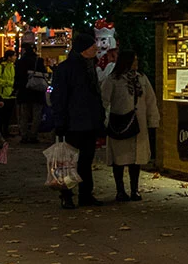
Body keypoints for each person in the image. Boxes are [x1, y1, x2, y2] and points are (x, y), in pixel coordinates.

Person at [50, 29, 106, 209]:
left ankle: (82, 193)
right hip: (74, 122)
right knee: (71, 160)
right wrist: (60, 121)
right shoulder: (70, 69)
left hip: (84, 121)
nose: (95, 48)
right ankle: (70, 194)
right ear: (84, 48)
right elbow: (60, 97)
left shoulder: (87, 67)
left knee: (83, 160)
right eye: (92, 45)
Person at [102, 50, 160, 202]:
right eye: (133, 60)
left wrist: (153, 120)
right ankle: (120, 190)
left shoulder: (141, 79)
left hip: (138, 124)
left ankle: (134, 189)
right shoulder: (113, 79)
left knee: (136, 159)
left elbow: (150, 101)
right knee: (119, 159)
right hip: (119, 123)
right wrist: (104, 120)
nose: (136, 63)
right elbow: (104, 101)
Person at [14, 43, 46, 143]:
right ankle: (33, 135)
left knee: (24, 114)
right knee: (37, 114)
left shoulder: (20, 62)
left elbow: (17, 77)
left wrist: (16, 88)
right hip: (37, 90)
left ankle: (24, 135)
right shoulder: (39, 60)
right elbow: (44, 74)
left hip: (24, 91)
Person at [0, 49, 17, 137]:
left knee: (8, 115)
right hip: (3, 94)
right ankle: (0, 131)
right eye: (14, 56)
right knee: (1, 115)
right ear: (9, 57)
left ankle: (6, 131)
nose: (15, 57)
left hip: (11, 94)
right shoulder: (1, 67)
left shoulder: (12, 66)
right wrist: (7, 83)